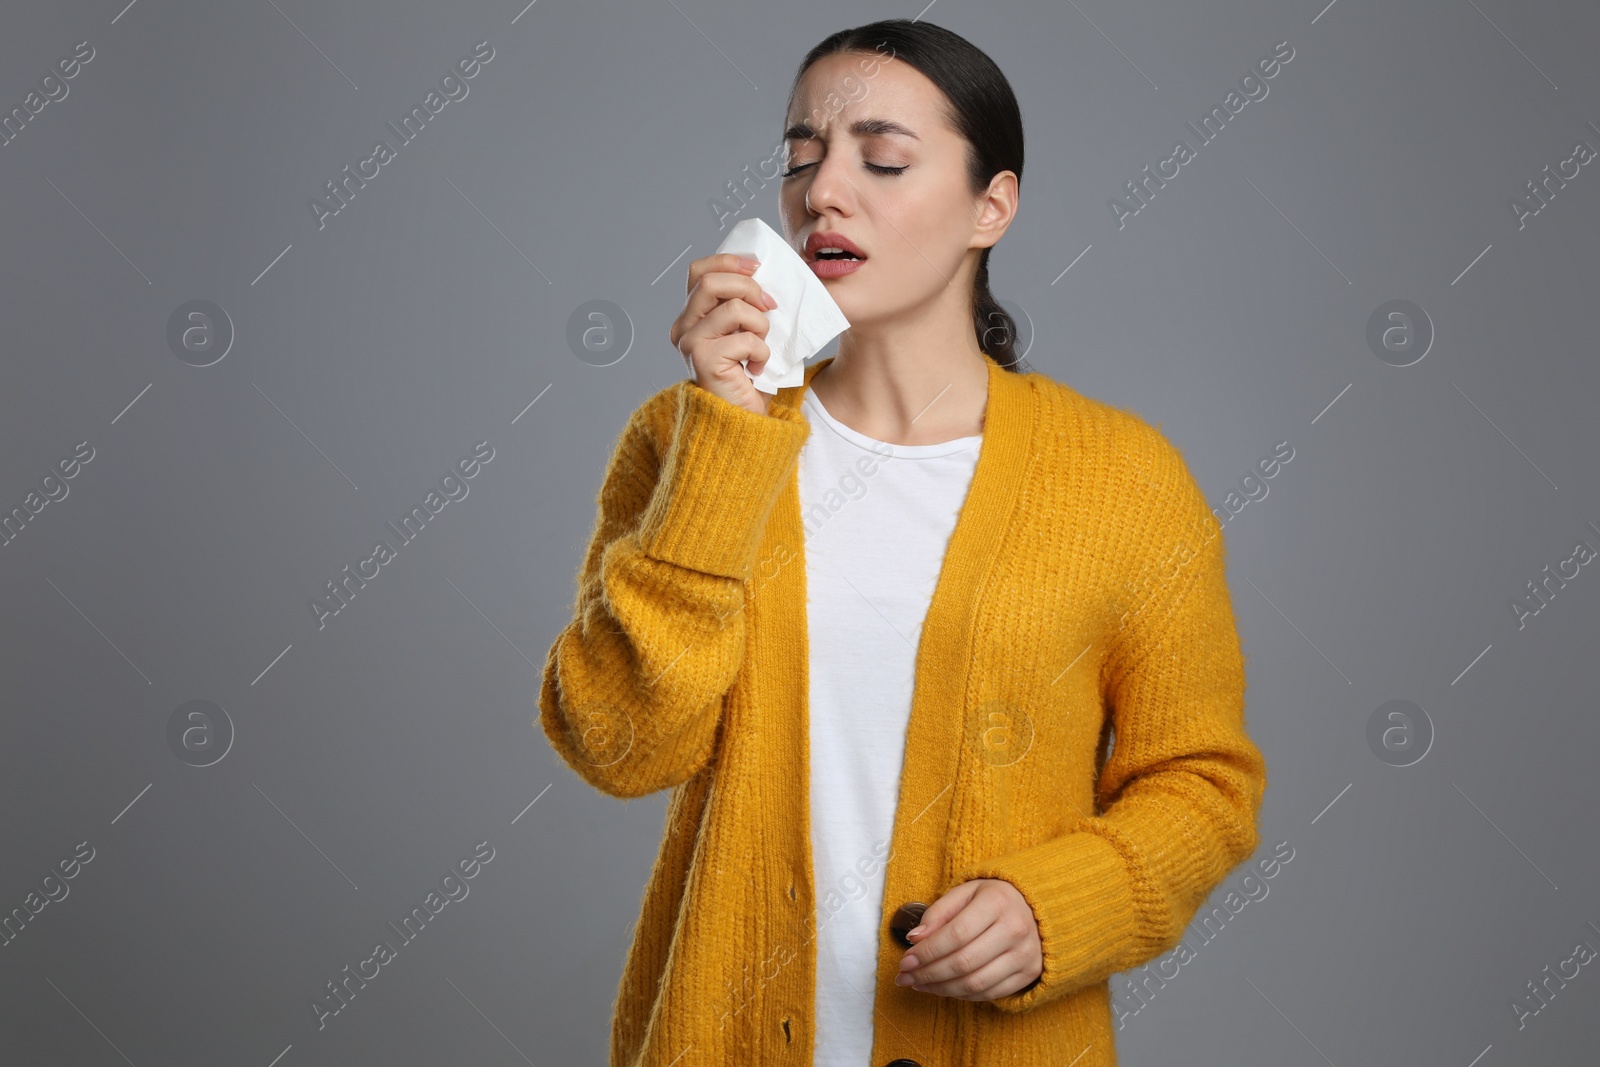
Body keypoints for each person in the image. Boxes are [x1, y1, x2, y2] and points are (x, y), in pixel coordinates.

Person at [539, 18, 1268, 1067]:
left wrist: (1057, 903)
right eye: (802, 157)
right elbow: (618, 742)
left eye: (881, 159)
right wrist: (729, 436)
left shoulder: (1126, 479)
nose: (822, 192)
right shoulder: (691, 439)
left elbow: (1202, 781)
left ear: (991, 205)